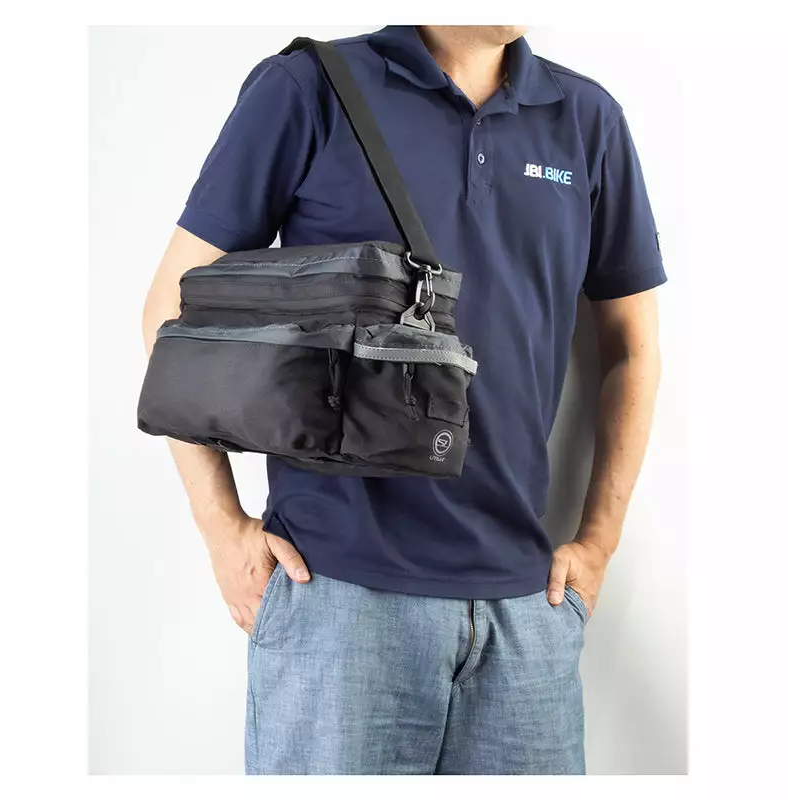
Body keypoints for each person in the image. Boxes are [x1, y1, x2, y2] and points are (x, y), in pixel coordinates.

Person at [141, 25, 666, 775]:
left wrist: (600, 543)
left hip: (528, 609)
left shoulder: (587, 119)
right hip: (337, 599)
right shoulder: (311, 88)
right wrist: (222, 529)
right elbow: (169, 313)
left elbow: (633, 349)